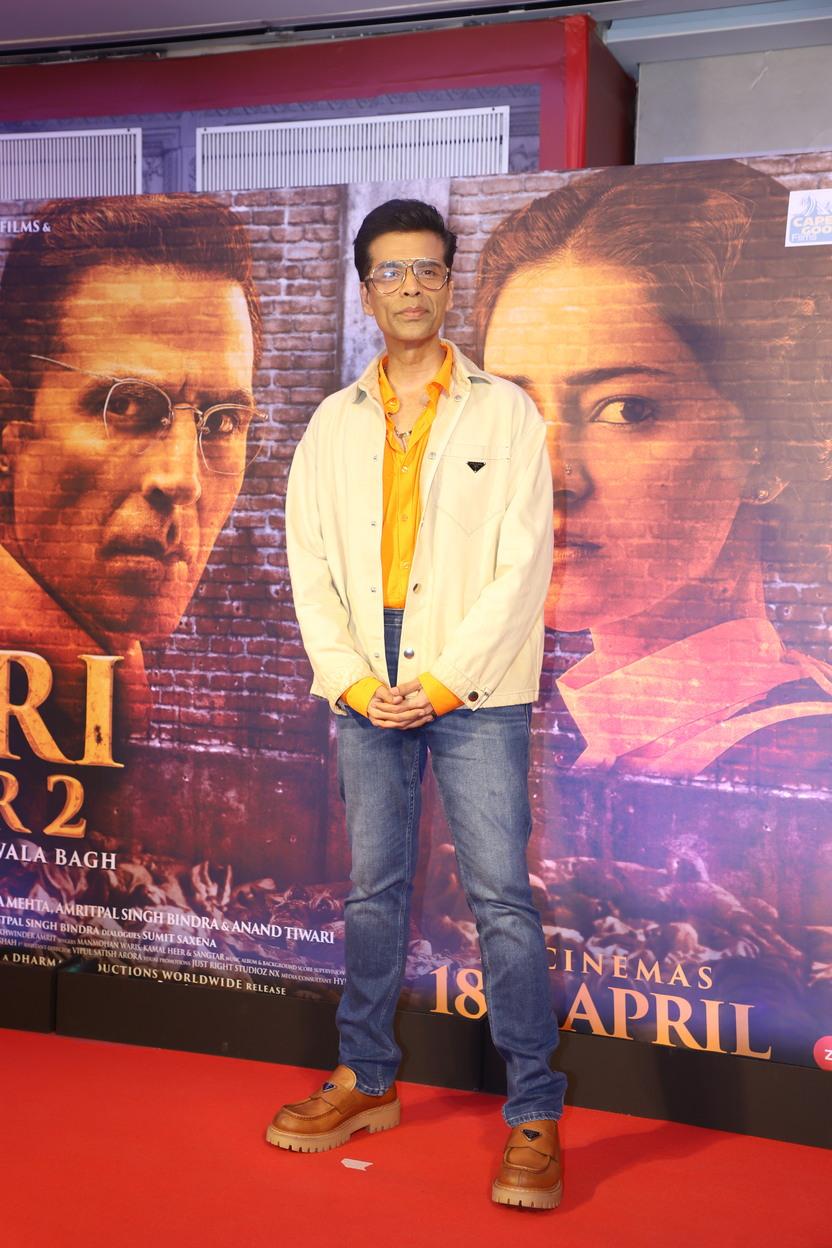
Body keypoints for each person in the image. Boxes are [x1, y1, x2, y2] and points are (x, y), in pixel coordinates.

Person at [274, 198, 565, 1210]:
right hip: (366, 673)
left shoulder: (504, 412)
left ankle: (534, 1113)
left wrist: (440, 681)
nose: (410, 286)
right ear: (367, 293)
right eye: (391, 271)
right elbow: (309, 566)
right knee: (372, 890)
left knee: (501, 899)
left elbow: (523, 568)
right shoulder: (331, 423)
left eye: (428, 269)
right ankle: (366, 1078)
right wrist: (356, 680)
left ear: (449, 284)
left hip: (473, 677)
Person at [475, 161, 832, 780]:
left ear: (767, 444)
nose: (547, 478)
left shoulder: (790, 756)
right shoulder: (581, 736)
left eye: (626, 409)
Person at [0, 196, 264, 743]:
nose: (183, 479)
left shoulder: (111, 679)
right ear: (9, 423)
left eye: (222, 423)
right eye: (124, 406)